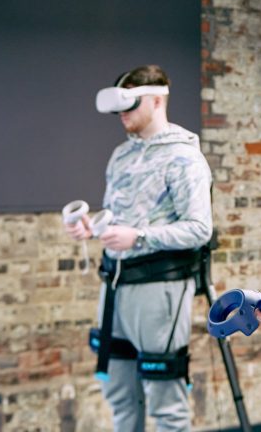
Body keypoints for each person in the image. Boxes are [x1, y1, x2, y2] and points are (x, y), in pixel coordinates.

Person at [64, 64, 213, 432]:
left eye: (130, 104)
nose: (123, 114)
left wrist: (139, 237)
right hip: (115, 288)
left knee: (165, 402)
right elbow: (124, 215)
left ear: (158, 99)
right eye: (119, 107)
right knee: (119, 394)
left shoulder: (184, 157)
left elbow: (199, 229)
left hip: (158, 290)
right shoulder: (121, 156)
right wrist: (93, 227)